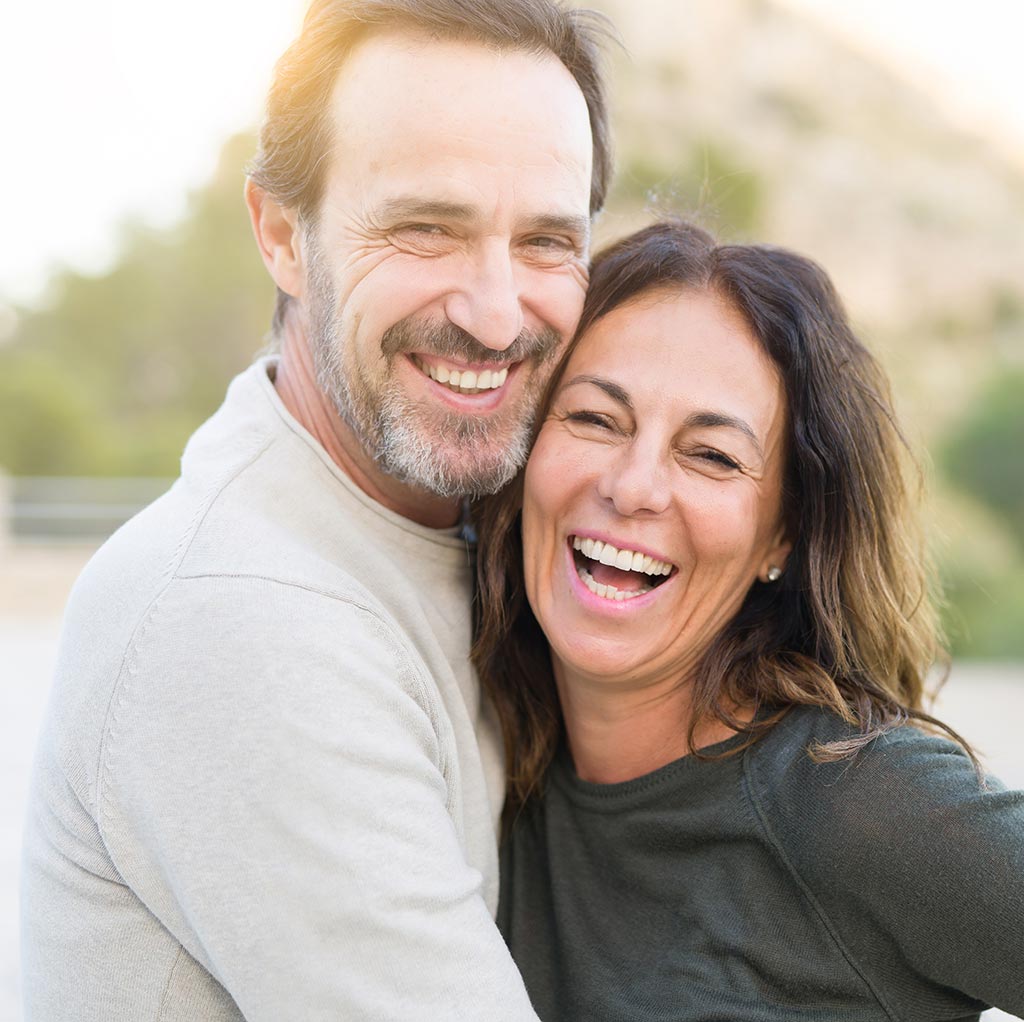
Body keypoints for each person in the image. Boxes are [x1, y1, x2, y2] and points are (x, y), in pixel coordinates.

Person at [20, 1, 612, 1018]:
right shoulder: (240, 617)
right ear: (282, 234)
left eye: (548, 241)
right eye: (426, 228)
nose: (496, 309)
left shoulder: (477, 531)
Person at [475, 221, 1024, 1021]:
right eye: (594, 418)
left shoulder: (859, 802)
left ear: (783, 534)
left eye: (712, 455)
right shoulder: (469, 761)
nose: (633, 487)